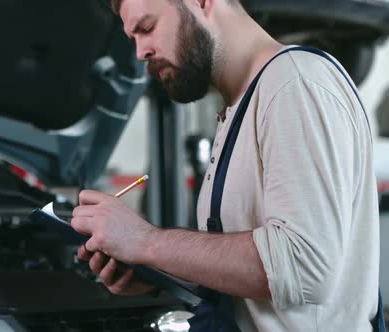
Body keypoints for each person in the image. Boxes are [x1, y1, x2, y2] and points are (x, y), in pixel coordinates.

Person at [70, 0, 381, 331]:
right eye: (134, 39)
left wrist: (145, 241)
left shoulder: (295, 83)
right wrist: (157, 271)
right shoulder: (242, 105)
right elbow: (261, 288)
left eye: (147, 28)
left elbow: (304, 269)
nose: (140, 53)